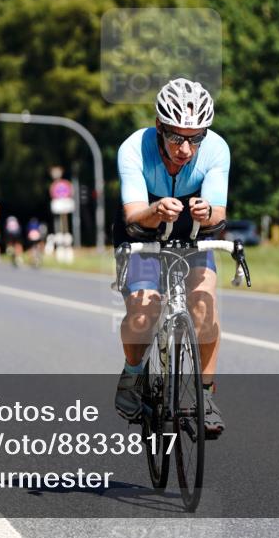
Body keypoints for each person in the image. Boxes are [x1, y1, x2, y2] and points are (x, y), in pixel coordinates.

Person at [113, 77, 230, 437]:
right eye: (177, 136)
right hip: (143, 233)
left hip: (193, 234)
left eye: (196, 137)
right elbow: (132, 215)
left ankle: (205, 395)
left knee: (204, 306)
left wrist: (205, 212)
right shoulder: (134, 148)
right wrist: (156, 210)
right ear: (160, 127)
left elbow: (219, 214)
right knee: (143, 310)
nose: (186, 148)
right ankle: (133, 376)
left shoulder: (216, 149)